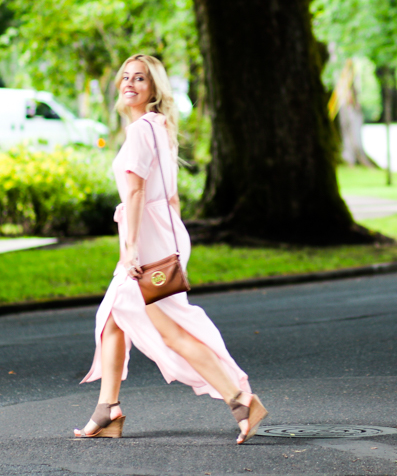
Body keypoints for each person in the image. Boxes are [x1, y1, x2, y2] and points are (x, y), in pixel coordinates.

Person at [74, 54, 267, 443]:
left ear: (153, 88)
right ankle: (107, 409)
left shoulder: (142, 130)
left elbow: (136, 191)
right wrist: (176, 250)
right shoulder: (158, 128)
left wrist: (131, 251)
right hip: (162, 234)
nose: (130, 83)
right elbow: (172, 198)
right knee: (112, 318)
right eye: (125, 77)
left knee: (171, 331)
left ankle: (240, 401)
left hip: (146, 241)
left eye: (140, 78)